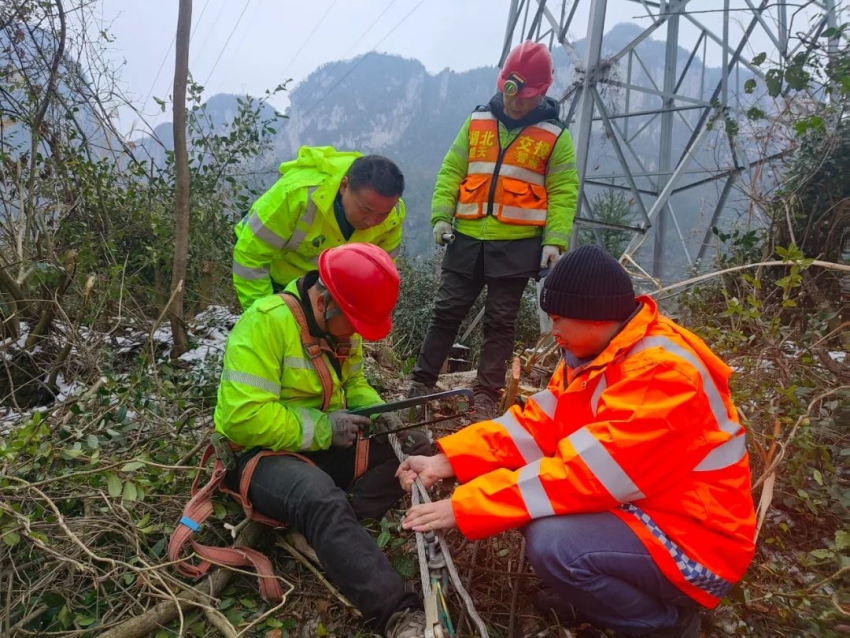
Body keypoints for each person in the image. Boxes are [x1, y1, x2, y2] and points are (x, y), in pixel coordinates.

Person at [396, 245, 757, 637]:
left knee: (556, 544)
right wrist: (447, 460)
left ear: (594, 316)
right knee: (535, 509)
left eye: (557, 319)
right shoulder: (596, 355)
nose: (553, 332)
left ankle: (663, 625)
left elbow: (585, 477)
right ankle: (600, 594)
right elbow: (537, 427)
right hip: (648, 509)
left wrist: (466, 506)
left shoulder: (660, 374)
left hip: (695, 543)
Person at [215, 243, 429, 638]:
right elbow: (242, 418)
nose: (357, 334)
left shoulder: (343, 320)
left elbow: (355, 383)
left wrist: (379, 413)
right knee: (318, 496)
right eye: (354, 323)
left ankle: (337, 523)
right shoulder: (265, 323)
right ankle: (398, 614)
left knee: (418, 445)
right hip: (263, 457)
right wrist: (324, 429)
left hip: (322, 444)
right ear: (325, 301)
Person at [407, 41, 579, 419]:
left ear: (542, 91)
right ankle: (420, 383)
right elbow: (452, 170)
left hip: (518, 245)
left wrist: (554, 241)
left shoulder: (555, 136)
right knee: (446, 312)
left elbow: (564, 192)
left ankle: (486, 394)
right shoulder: (478, 121)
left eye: (524, 94)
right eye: (510, 91)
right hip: (467, 239)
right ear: (504, 83)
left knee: (501, 322)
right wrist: (441, 216)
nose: (515, 101)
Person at [232, 145, 405, 311]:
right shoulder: (297, 195)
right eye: (366, 210)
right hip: (273, 277)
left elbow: (380, 274)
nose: (373, 221)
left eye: (383, 213)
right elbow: (250, 257)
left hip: (325, 291)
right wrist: (264, 313)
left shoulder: (393, 215)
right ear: (344, 186)